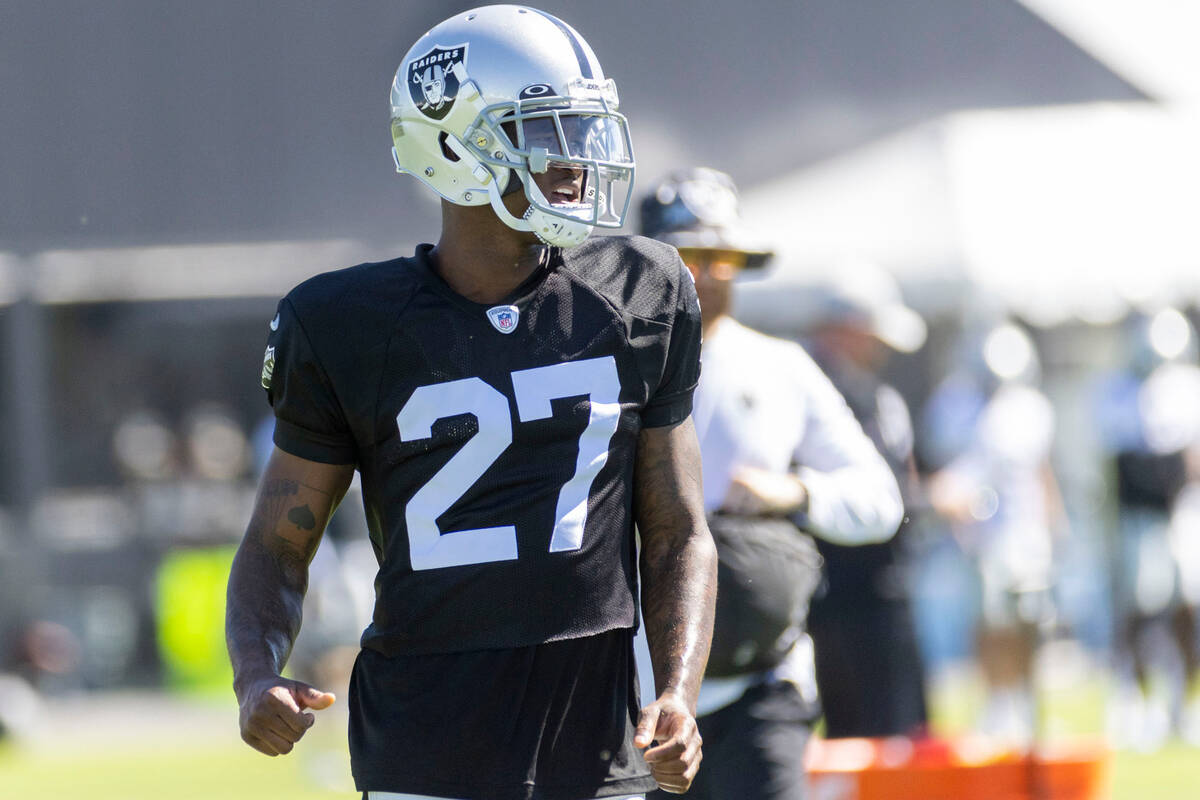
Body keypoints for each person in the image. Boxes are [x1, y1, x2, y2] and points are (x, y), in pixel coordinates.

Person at [224, 7, 718, 800]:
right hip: (424, 747)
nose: (577, 157)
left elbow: (677, 530)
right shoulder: (345, 323)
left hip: (596, 743)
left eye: (580, 128)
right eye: (546, 130)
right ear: (453, 145)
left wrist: (677, 693)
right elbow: (278, 544)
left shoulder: (643, 289)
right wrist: (255, 674)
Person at [640, 168, 903, 800]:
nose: (705, 274)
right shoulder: (610, 367)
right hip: (635, 698)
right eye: (688, 256)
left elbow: (880, 501)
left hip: (761, 683)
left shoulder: (781, 366)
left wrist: (797, 492)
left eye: (720, 257)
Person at [802, 263, 930, 739]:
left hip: (882, 580)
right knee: (861, 731)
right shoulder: (814, 392)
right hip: (839, 587)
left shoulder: (877, 395)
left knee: (898, 731)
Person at [924, 319, 1066, 744]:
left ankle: (1027, 704)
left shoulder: (1030, 408)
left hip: (1025, 533)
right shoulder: (954, 403)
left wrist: (1056, 524)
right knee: (988, 622)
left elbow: (1042, 470)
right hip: (976, 535)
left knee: (1031, 623)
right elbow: (943, 467)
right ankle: (997, 702)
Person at [1094, 307, 1200, 749]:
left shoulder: (1186, 386)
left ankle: (1185, 702)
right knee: (1141, 609)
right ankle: (1139, 699)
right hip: (1139, 518)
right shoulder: (1115, 392)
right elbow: (1120, 463)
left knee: (1188, 611)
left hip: (1185, 512)